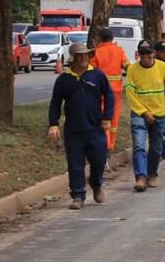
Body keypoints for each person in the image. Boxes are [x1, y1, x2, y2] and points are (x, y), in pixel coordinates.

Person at [48, 42, 115, 209]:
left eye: (86, 55)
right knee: (75, 165)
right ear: (73, 58)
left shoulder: (98, 76)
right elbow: (55, 103)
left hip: (95, 128)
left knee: (99, 160)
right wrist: (53, 124)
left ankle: (96, 183)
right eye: (80, 55)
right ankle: (78, 195)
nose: (84, 58)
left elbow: (109, 96)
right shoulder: (64, 80)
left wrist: (107, 117)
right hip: (73, 130)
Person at [125, 40, 165, 192]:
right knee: (139, 146)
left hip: (159, 114)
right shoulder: (132, 69)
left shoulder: (162, 67)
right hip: (139, 113)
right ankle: (141, 177)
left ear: (153, 53)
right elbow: (130, 93)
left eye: (148, 53)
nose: (146, 56)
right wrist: (144, 112)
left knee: (156, 148)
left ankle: (152, 174)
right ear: (138, 54)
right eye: (142, 53)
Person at [90, 27, 129, 153]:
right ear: (112, 38)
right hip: (116, 90)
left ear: (100, 39)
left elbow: (91, 71)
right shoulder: (119, 50)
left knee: (103, 118)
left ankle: (105, 146)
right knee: (114, 119)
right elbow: (127, 65)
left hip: (100, 91)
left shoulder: (96, 52)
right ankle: (111, 144)